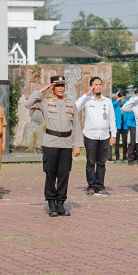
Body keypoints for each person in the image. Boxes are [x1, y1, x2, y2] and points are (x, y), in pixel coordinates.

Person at [25, 76, 83, 216]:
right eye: (57, 85)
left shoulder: (70, 104)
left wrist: (78, 145)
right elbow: (28, 103)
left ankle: (61, 204)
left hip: (66, 143)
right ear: (52, 87)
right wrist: (43, 90)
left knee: (64, 175)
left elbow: (76, 126)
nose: (61, 88)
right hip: (51, 143)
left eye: (63, 85)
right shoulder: (44, 102)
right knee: (50, 174)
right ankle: (51, 203)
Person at [76, 76, 116, 196]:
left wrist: (113, 135)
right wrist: (86, 94)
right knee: (90, 162)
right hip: (90, 135)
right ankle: (91, 186)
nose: (98, 87)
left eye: (99, 84)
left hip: (104, 136)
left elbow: (112, 119)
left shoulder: (107, 101)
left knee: (101, 163)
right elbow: (76, 106)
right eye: (95, 84)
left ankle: (100, 186)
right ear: (91, 86)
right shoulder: (87, 100)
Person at [112, 91, 127, 164]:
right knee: (117, 142)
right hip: (117, 125)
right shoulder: (115, 104)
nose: (123, 99)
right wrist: (117, 100)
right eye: (122, 98)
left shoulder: (126, 104)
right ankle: (117, 157)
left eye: (124, 98)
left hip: (124, 125)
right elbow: (110, 105)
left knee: (124, 142)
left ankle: (124, 157)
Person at [123, 90, 137, 164]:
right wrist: (132, 98)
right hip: (132, 124)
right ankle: (130, 159)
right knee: (133, 142)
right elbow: (123, 104)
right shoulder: (131, 100)